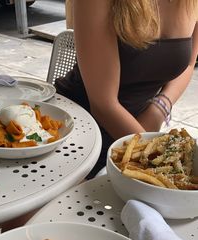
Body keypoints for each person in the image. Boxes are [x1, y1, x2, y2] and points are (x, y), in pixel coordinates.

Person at [55, 0, 198, 177]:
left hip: (139, 132)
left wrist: (158, 110)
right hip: (77, 137)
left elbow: (190, 62)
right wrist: (150, 153)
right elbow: (103, 104)